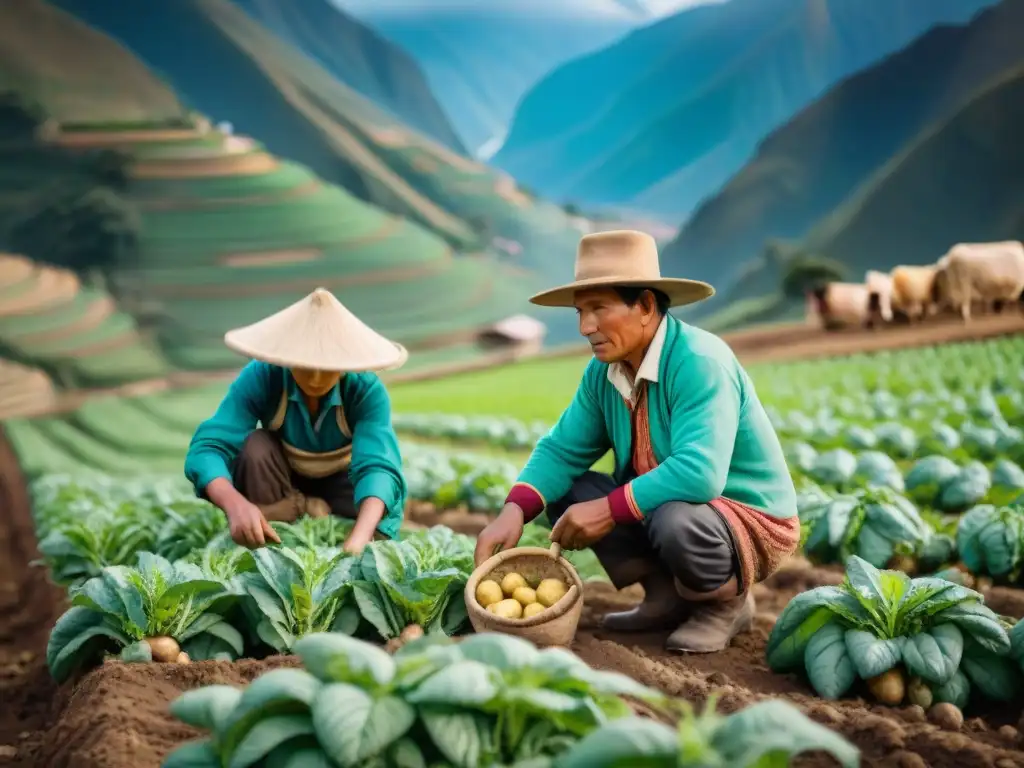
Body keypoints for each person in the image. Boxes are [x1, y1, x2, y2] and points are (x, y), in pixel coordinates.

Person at [474, 230, 799, 653]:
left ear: (645, 305)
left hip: (744, 518)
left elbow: (700, 475)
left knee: (675, 518)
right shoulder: (603, 373)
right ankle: (664, 595)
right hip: (663, 502)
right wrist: (513, 511)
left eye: (598, 309)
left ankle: (724, 605)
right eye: (579, 312)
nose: (585, 327)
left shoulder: (700, 362)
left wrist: (608, 510)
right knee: (571, 490)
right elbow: (561, 449)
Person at [184, 287, 408, 554]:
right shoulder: (263, 376)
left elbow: (377, 467)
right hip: (282, 482)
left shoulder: (365, 390)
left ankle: (320, 518)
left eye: (327, 368)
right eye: (303, 365)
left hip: (345, 484)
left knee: (375, 520)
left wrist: (358, 541)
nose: (315, 378)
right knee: (255, 446)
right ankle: (273, 533)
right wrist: (235, 505)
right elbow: (208, 449)